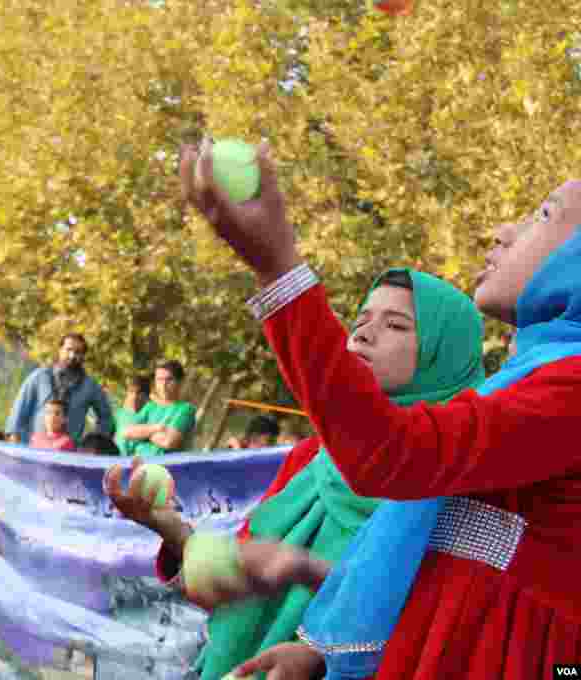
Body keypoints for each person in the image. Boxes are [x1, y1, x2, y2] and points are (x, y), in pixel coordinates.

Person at [181, 143, 581, 679]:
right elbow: (447, 559)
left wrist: (278, 270)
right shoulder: (529, 380)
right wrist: (326, 653)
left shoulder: (572, 388)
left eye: (543, 214)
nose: (504, 231)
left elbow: (392, 453)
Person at [106, 267, 486, 680]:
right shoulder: (313, 456)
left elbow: (435, 630)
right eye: (360, 320)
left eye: (395, 325)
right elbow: (243, 574)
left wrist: (321, 651)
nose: (362, 335)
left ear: (445, 354)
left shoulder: (457, 482)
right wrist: (173, 531)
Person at [6, 333, 114, 444]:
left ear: (83, 356)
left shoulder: (90, 386)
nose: (72, 356)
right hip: (35, 451)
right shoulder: (40, 376)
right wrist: (15, 440)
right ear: (60, 350)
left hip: (69, 454)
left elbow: (106, 419)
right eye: (68, 350)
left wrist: (94, 443)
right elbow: (19, 410)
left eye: (78, 352)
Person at [120, 360, 196, 457]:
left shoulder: (186, 409)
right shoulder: (150, 406)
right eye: (159, 379)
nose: (163, 385)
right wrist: (156, 428)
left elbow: (168, 442)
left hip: (167, 467)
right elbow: (126, 431)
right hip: (139, 465)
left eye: (169, 379)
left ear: (180, 382)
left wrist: (143, 433)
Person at [113, 375, 150, 456]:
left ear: (146, 396)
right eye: (131, 392)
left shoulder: (151, 414)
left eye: (139, 393)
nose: (134, 397)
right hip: (116, 461)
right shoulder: (118, 414)